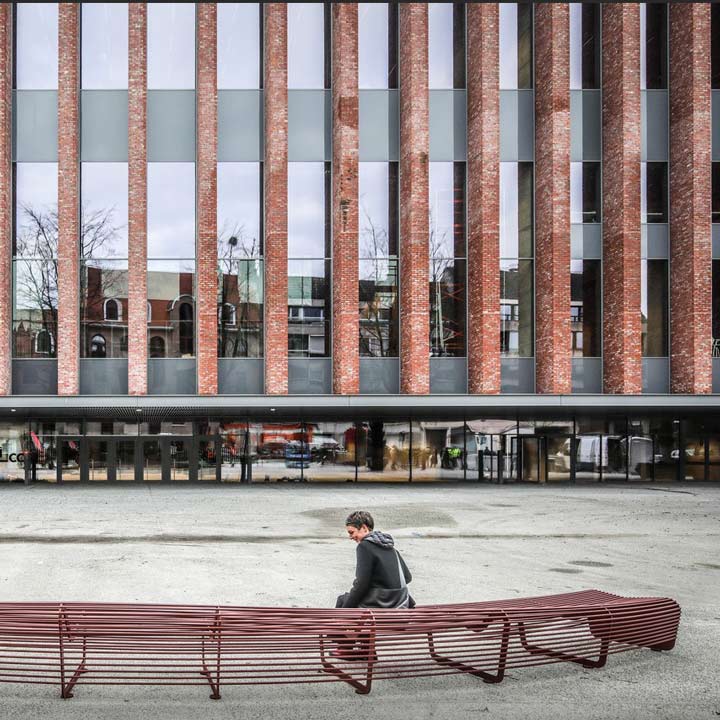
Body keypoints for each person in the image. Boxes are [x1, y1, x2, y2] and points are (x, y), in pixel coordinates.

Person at [336, 510, 414, 610]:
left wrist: (345, 609)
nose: (350, 537)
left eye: (351, 532)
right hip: (400, 603)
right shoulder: (391, 548)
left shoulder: (364, 546)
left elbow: (361, 584)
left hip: (381, 604)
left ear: (364, 528)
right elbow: (407, 577)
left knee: (342, 600)